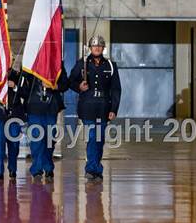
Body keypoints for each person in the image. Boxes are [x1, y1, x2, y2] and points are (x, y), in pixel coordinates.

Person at [69, 35, 122, 180]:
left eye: (99, 46)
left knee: (100, 139)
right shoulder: (82, 64)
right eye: (94, 46)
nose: (97, 48)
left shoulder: (111, 65)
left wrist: (114, 109)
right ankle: (92, 169)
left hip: (104, 107)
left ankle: (95, 167)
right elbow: (71, 81)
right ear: (90, 48)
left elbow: (116, 89)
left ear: (103, 48)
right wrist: (79, 86)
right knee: (93, 137)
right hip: (87, 107)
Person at [21, 64, 69, 181]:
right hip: (34, 107)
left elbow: (65, 84)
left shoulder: (57, 61)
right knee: (36, 139)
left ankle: (48, 168)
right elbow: (23, 89)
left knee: (49, 140)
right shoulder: (30, 60)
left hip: (51, 108)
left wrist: (55, 86)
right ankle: (36, 170)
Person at [0, 69, 26, 181]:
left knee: (14, 144)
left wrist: (15, 86)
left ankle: (12, 169)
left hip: (15, 113)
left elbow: (26, 93)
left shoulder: (19, 75)